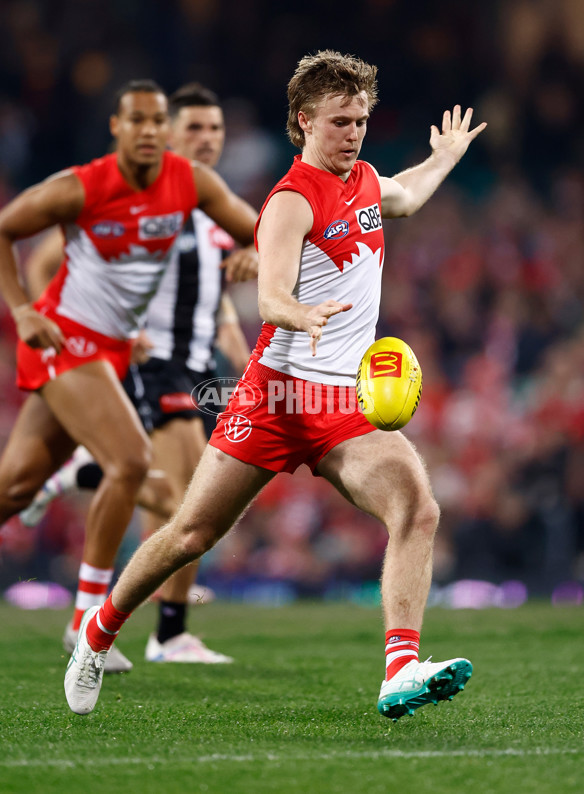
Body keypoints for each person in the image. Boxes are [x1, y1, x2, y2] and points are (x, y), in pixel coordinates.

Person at [64, 51, 486, 720]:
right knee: (190, 536)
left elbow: (405, 192)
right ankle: (98, 629)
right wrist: (301, 312)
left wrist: (446, 156)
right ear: (304, 121)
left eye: (362, 121)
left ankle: (400, 669)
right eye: (340, 122)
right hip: (276, 397)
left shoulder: (368, 181)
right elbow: (270, 296)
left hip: (342, 405)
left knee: (418, 508)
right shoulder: (291, 201)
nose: (353, 133)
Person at [0, 79, 257, 672]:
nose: (150, 131)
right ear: (117, 127)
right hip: (68, 341)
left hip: (112, 352)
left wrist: (258, 253)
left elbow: (260, 228)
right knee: (132, 462)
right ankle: (86, 620)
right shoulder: (82, 186)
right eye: (138, 120)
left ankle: (66, 499)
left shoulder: (190, 185)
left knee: (13, 490)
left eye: (158, 120)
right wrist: (24, 309)